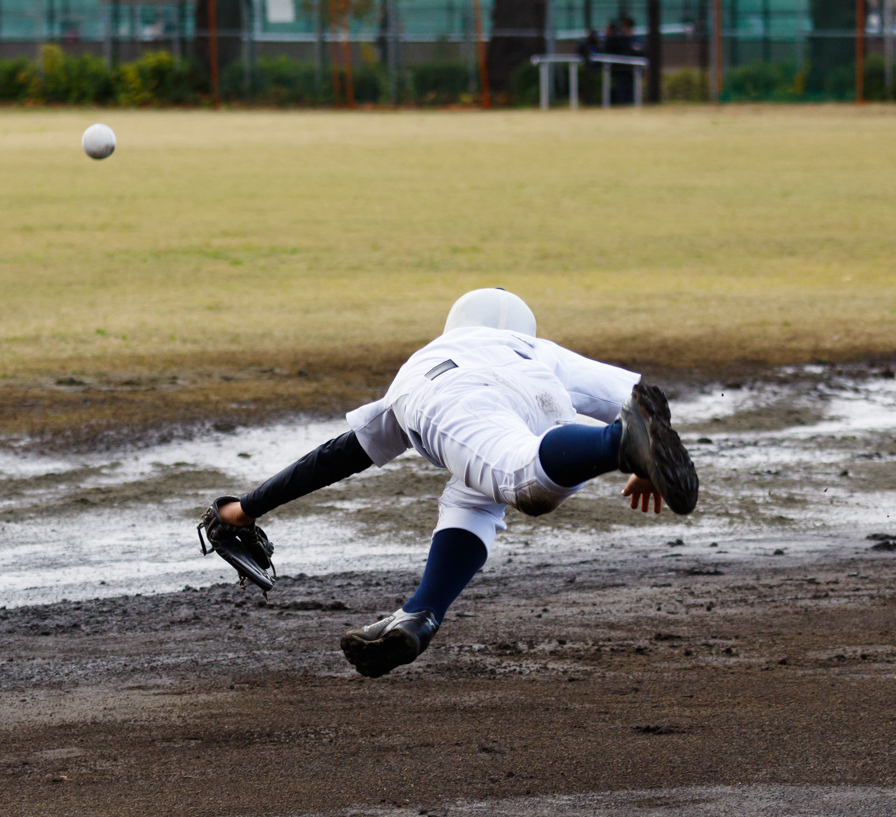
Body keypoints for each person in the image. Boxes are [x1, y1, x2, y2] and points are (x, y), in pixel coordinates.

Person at [197, 288, 699, 678]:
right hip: (541, 399)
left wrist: (245, 508)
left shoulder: (424, 361)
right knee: (476, 498)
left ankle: (613, 445)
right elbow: (642, 395)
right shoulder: (539, 349)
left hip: (454, 402)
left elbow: (334, 458)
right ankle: (420, 614)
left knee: (526, 484)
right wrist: (646, 458)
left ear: (454, 323)